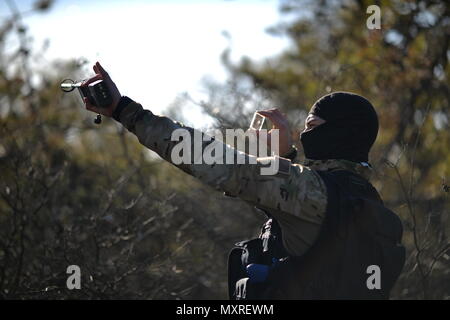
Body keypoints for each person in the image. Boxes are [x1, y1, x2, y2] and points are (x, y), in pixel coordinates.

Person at [81, 62, 405, 299]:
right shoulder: (360, 197)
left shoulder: (310, 190)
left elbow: (213, 161)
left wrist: (125, 111)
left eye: (312, 124)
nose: (305, 133)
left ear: (337, 133)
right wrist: (283, 162)